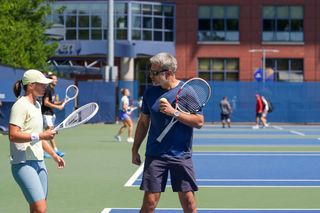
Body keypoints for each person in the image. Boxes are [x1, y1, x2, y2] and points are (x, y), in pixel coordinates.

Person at [131, 52, 203, 213]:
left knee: (189, 203)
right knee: (149, 202)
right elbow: (143, 123)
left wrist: (174, 112)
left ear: (169, 73)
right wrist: (134, 149)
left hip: (181, 155)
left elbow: (199, 121)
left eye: (154, 73)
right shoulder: (150, 93)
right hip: (155, 155)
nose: (151, 76)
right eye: (150, 72)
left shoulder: (187, 92)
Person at [9, 69, 65, 213]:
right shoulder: (20, 105)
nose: (44, 87)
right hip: (22, 163)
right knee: (40, 208)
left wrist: (54, 155)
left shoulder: (37, 106)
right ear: (31, 85)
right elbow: (13, 135)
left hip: (39, 162)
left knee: (37, 209)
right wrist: (40, 135)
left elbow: (40, 137)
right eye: (41, 84)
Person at [41, 74, 65, 157]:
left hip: (50, 114)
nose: (56, 80)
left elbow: (52, 102)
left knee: (49, 132)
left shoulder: (52, 89)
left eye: (56, 79)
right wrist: (58, 107)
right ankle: (46, 151)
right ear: (50, 80)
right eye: (55, 79)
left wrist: (61, 102)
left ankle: (53, 150)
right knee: (48, 132)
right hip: (46, 113)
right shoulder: (48, 89)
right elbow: (46, 102)